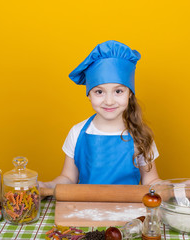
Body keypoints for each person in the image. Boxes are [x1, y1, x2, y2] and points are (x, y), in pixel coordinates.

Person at [39, 40, 161, 197]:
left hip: (129, 215)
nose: (109, 101)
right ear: (89, 94)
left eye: (118, 91)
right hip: (85, 211)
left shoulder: (140, 136)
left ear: (130, 93)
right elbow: (68, 178)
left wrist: (176, 187)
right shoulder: (77, 133)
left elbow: (151, 182)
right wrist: (45, 186)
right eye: (99, 92)